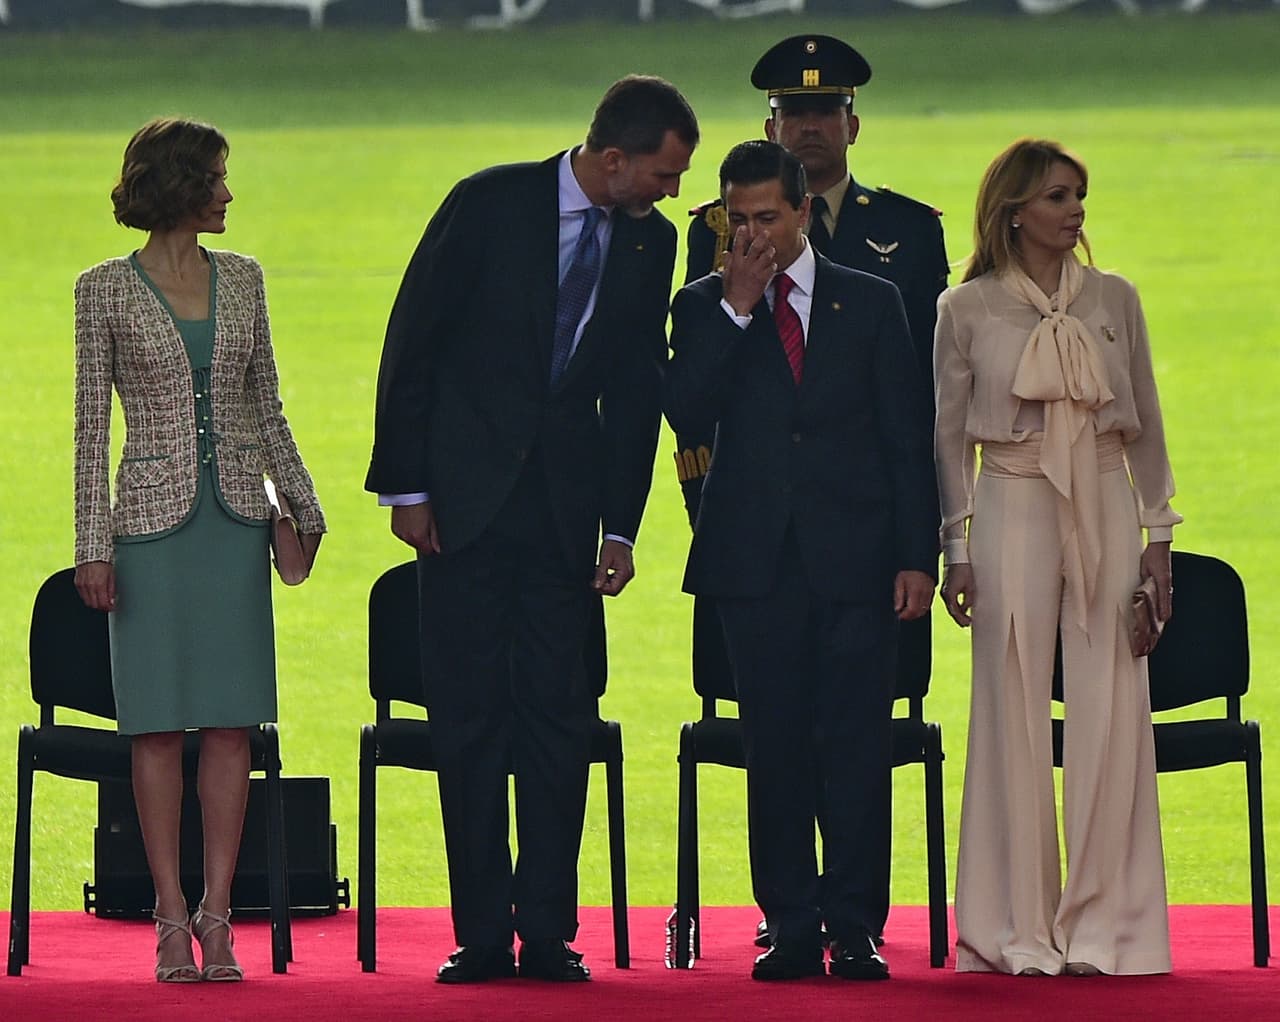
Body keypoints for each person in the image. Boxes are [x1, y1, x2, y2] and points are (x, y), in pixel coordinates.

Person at [365, 75, 698, 984]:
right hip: (462, 511)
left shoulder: (650, 243)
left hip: (563, 519)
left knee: (560, 722)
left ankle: (548, 933)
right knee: (467, 723)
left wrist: (621, 527)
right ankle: (479, 937)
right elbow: (414, 341)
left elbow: (635, 388)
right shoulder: (487, 202)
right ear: (615, 156)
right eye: (665, 175)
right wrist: (408, 489)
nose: (673, 194)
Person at [677, 32, 947, 953]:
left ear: (798, 211)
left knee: (857, 748)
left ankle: (857, 925)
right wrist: (735, 307)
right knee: (776, 748)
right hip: (755, 559)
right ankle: (790, 921)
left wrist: (919, 552)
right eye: (734, 219)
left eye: (763, 218)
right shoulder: (707, 298)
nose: (748, 235)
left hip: (859, 556)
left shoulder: (869, 298)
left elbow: (909, 435)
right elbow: (685, 409)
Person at [73, 117, 325, 983]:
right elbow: (85, 433)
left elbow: (268, 410)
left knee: (231, 724)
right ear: (179, 186)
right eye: (216, 178)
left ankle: (220, 918)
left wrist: (302, 508)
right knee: (155, 728)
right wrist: (90, 546)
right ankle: (169, 918)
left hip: (232, 529)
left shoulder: (246, 281)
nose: (227, 193)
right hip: (146, 529)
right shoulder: (101, 290)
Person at [935, 138, 1179, 977]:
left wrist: (1160, 540)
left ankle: (1110, 929)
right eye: (1056, 197)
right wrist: (957, 547)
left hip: (1107, 500)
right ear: (1014, 211)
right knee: (1009, 701)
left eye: (1078, 195)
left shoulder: (1117, 298)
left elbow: (1143, 419)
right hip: (1009, 501)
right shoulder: (965, 309)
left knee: (1113, 698)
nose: (1075, 211)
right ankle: (1012, 929)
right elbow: (946, 441)